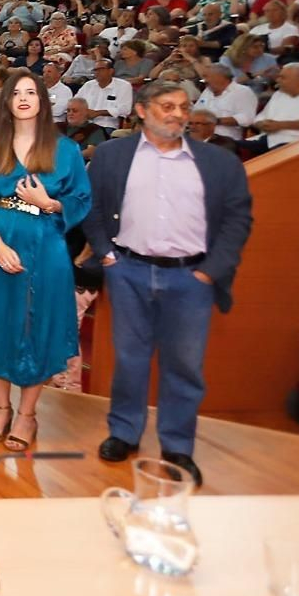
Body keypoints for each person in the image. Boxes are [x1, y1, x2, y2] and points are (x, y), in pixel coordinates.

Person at [85, 81, 253, 487]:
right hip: (129, 271)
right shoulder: (111, 155)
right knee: (129, 360)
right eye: (167, 106)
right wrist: (106, 254)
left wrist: (209, 271)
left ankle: (178, 447)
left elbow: (238, 219)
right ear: (141, 111)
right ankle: (124, 433)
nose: (178, 114)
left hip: (191, 278)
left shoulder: (217, 163)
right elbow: (88, 206)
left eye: (183, 106)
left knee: (184, 366)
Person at [0, 68, 92, 452]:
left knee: (38, 330)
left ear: (44, 102)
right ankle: (1, 408)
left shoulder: (66, 150)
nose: (25, 98)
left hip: (45, 249)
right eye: (17, 93)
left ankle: (28, 415)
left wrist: (49, 203)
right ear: (8, 103)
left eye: (32, 92)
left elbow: (81, 199)